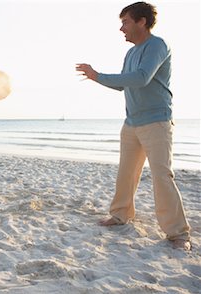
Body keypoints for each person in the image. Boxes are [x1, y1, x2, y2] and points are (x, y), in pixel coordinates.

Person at [76, 2, 191, 250]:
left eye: (125, 22)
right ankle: (120, 215)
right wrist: (97, 78)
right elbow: (123, 84)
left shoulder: (157, 45)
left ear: (142, 22)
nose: (121, 28)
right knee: (126, 173)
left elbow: (141, 78)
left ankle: (178, 233)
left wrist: (99, 75)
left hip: (156, 121)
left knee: (162, 176)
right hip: (131, 122)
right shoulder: (130, 53)